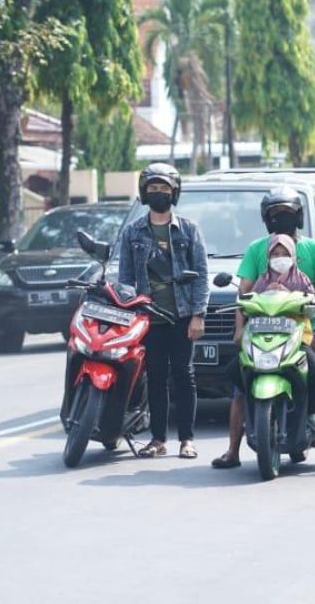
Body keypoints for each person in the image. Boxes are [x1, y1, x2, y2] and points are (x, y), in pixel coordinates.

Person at [211, 187, 315, 472]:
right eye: (275, 215)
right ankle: (232, 450)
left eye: (287, 214)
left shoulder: (312, 252)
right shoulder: (256, 251)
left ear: (298, 217)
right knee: (240, 388)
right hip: (261, 333)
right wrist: (238, 330)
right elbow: (244, 293)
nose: (281, 220)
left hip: (304, 336)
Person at [116, 163, 209, 459]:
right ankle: (158, 439)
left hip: (181, 317)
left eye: (164, 189)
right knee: (155, 378)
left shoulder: (189, 229)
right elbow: (125, 279)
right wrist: (131, 312)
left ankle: (187, 439)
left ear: (174, 193)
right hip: (148, 319)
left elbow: (202, 275)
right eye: (153, 189)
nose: (159, 194)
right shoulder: (133, 232)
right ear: (144, 193)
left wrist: (198, 315)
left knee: (184, 375)